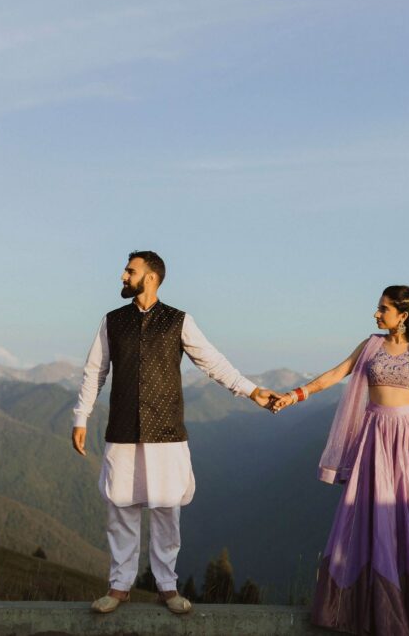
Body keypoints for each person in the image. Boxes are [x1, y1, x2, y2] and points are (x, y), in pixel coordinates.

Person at [71, 250, 279, 615]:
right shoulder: (112, 321)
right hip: (122, 428)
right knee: (121, 508)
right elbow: (95, 371)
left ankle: (166, 586)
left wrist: (251, 390)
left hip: (166, 430)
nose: (123, 275)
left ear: (150, 277)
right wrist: (81, 417)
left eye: (130, 271)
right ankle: (119, 586)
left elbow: (212, 362)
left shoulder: (178, 321)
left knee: (168, 510)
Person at [271, 285, 409, 635]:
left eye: (383, 309)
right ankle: (374, 609)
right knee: (374, 516)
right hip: (376, 440)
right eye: (378, 308)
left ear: (403, 315)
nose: (376, 314)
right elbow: (335, 374)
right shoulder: (370, 344)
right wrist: (295, 395)